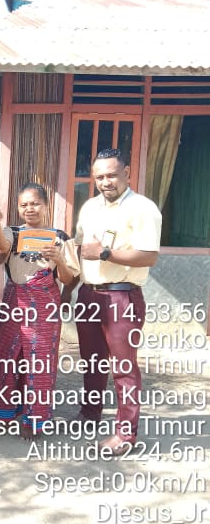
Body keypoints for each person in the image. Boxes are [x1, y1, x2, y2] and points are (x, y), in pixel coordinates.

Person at [73, 149, 161, 455]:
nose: (105, 182)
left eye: (111, 174)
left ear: (127, 172)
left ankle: (125, 435)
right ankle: (90, 413)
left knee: (123, 367)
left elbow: (149, 255)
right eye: (99, 176)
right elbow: (81, 245)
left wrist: (106, 254)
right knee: (91, 360)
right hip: (89, 293)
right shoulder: (89, 207)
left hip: (122, 295)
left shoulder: (142, 208)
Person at [0, 183, 79, 440]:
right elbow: (2, 249)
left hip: (46, 304)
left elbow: (68, 279)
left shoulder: (60, 237)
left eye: (34, 203)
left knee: (40, 362)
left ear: (46, 205)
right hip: (16, 300)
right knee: (7, 356)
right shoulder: (12, 232)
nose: (29, 209)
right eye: (24, 205)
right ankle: (1, 412)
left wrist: (58, 260)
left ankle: (33, 420)